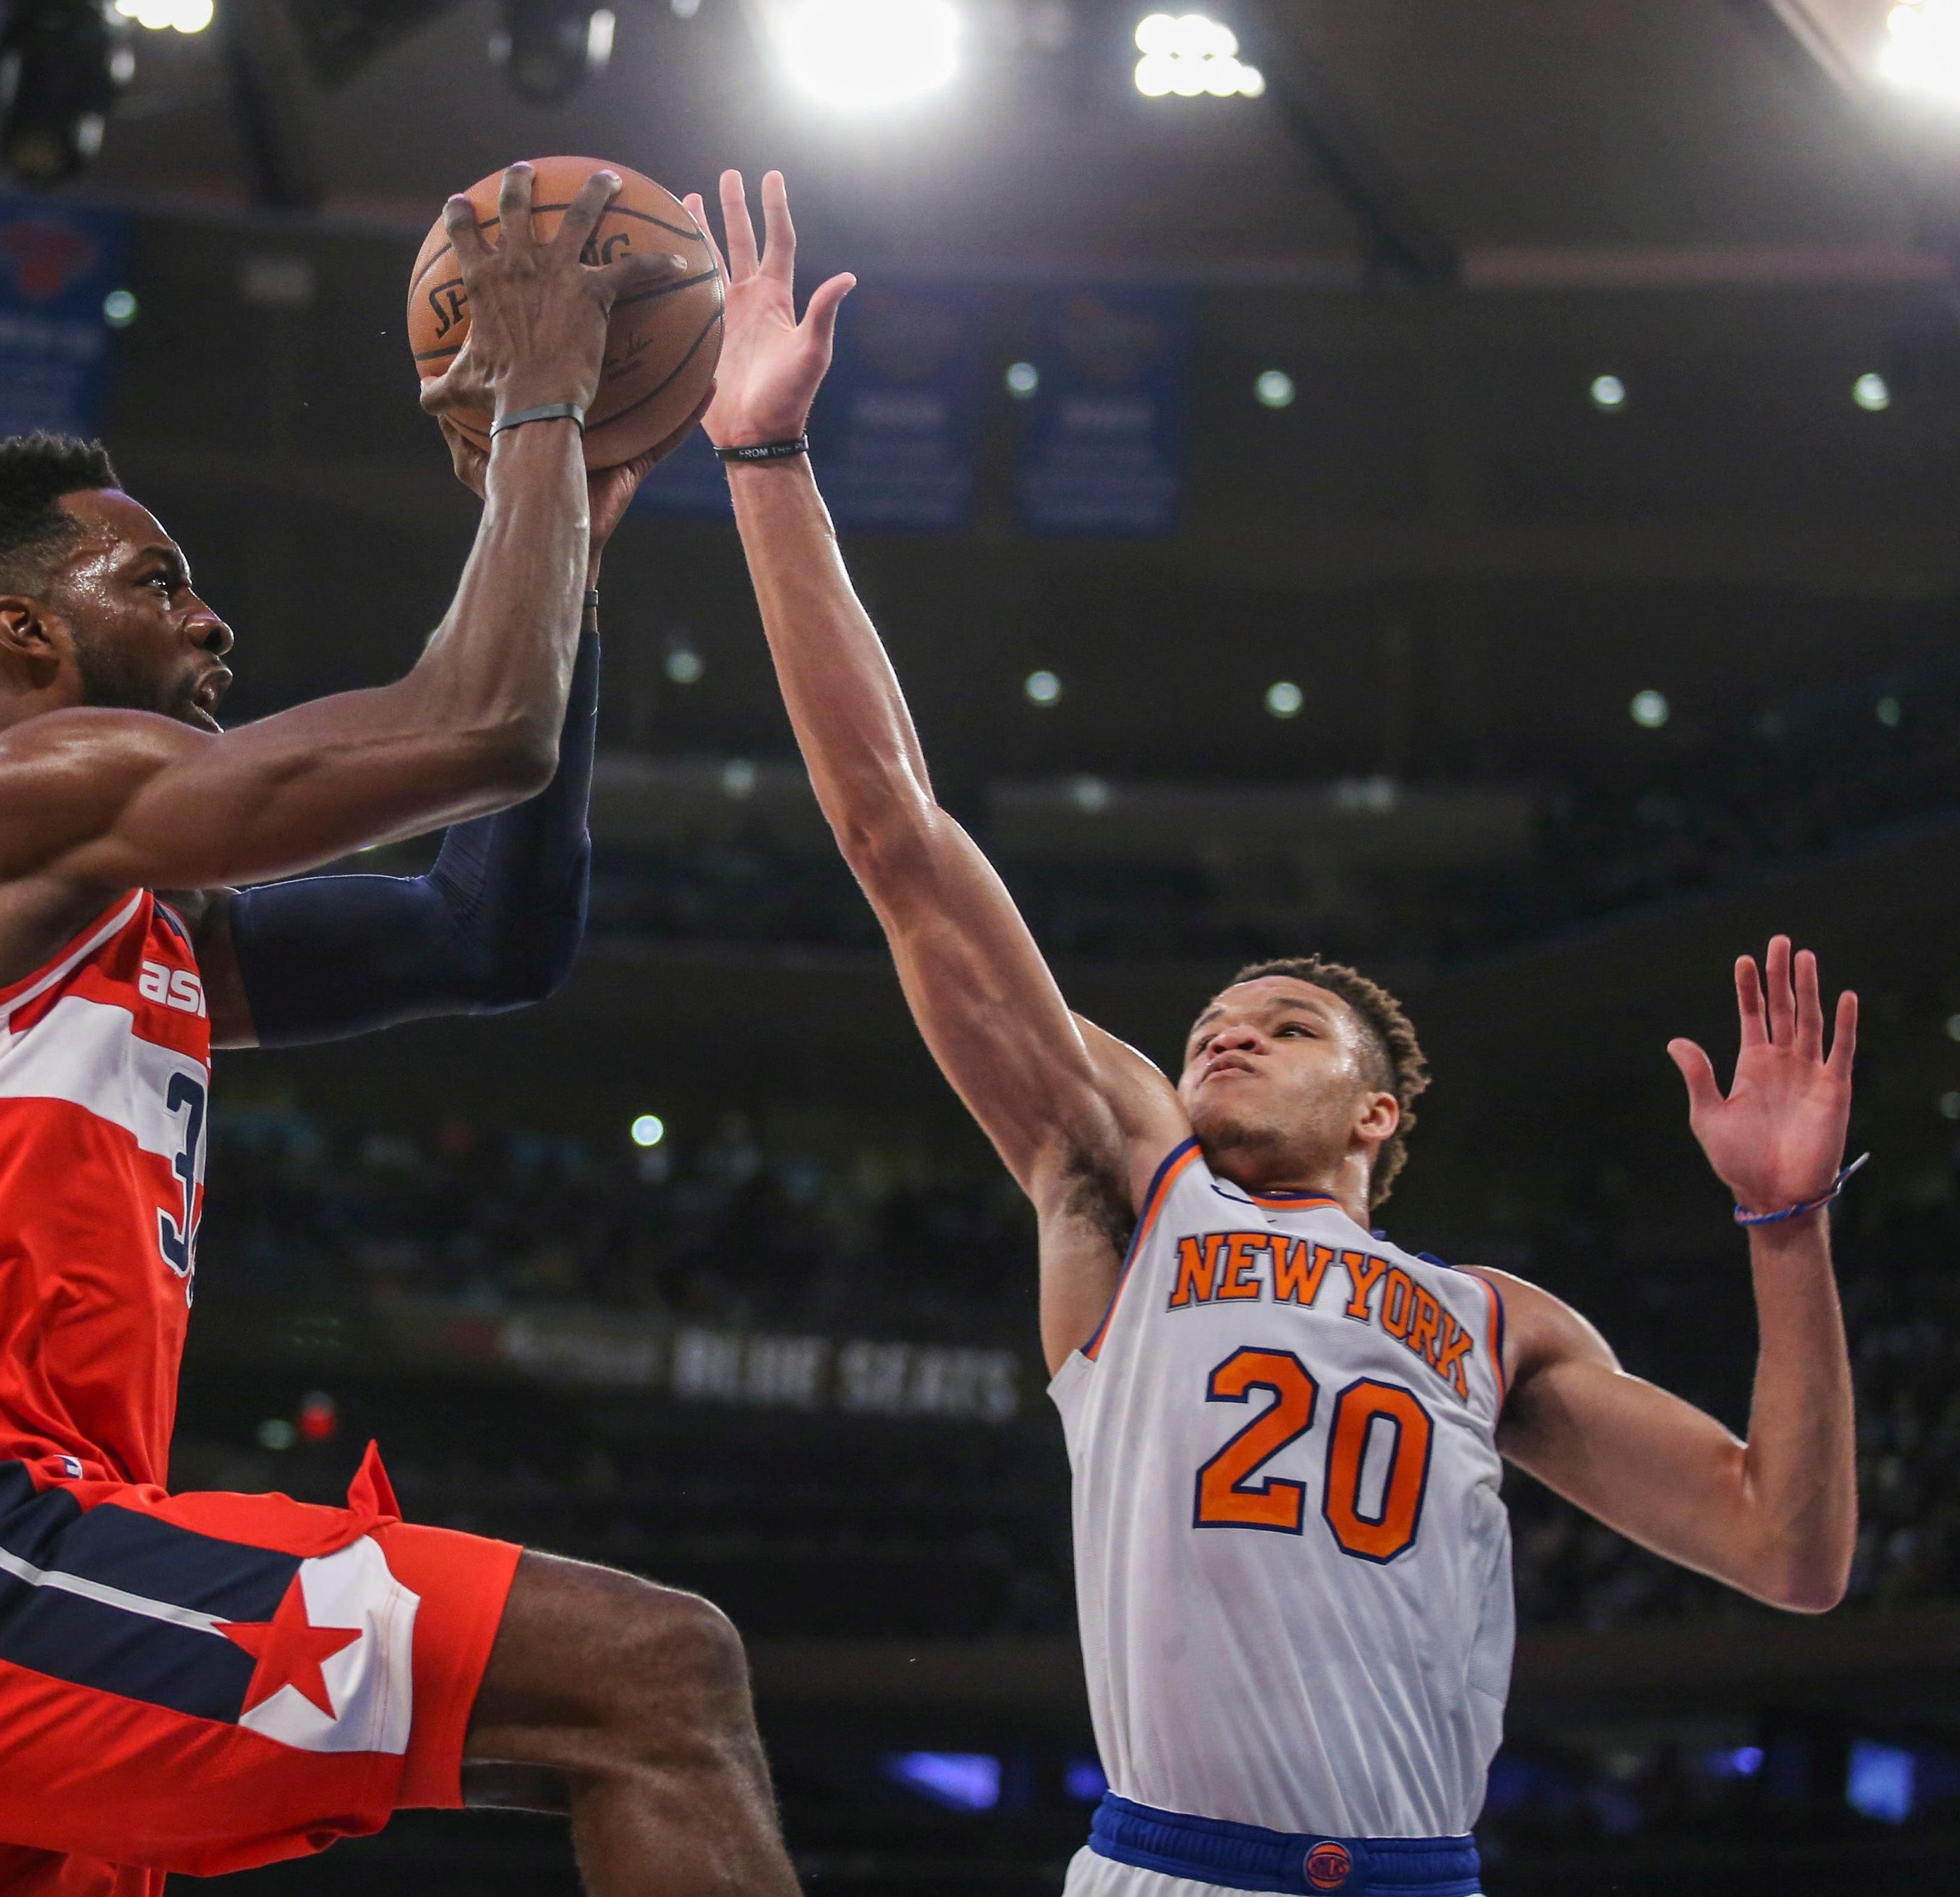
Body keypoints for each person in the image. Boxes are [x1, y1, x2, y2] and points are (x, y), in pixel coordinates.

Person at [690, 167, 1862, 1897]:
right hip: (1169, 1865)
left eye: (1283, 1021)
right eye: (1209, 1021)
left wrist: (1784, 1225)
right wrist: (765, 466)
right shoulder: (1127, 1189)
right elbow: (897, 834)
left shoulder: (1492, 1321)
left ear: (1377, 1110)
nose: (1223, 1036)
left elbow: (1789, 1549)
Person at [0, 163, 799, 1896]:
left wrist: (573, 542)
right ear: (20, 630)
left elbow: (488, 931)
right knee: (655, 1677)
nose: (209, 616)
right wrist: (542, 394)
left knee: (639, 1690)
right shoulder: (9, 801)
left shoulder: (122, 910)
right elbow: (478, 728)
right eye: (154, 579)